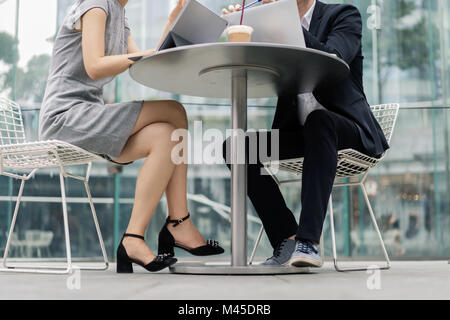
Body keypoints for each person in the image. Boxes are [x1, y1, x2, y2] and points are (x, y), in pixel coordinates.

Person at [39, 0, 224, 274]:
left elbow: (144, 64)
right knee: (174, 111)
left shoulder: (120, 16)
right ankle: (179, 223)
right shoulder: (96, 5)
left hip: (91, 116)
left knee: (168, 136)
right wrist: (141, 55)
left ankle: (133, 239)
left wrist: (175, 16)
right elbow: (94, 65)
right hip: (66, 117)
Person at [222, 0, 389, 267]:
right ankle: (287, 239)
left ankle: (308, 242)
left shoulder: (343, 14)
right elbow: (261, 74)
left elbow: (334, 59)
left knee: (319, 121)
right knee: (237, 146)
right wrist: (246, 23)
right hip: (301, 134)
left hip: (347, 130)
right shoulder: (272, 24)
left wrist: (281, 24)